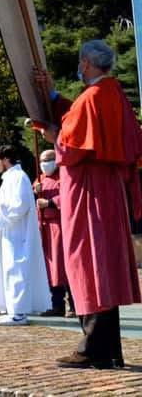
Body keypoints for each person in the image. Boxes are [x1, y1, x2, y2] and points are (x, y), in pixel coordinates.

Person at [35, 41, 142, 369]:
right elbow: (78, 120)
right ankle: (108, 350)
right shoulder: (112, 93)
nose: (79, 67)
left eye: (81, 62)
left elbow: (71, 145)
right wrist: (52, 96)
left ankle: (92, 348)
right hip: (107, 190)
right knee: (102, 264)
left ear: (87, 64)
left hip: (88, 190)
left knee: (88, 261)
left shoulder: (93, 97)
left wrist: (52, 135)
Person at [0, 145, 51, 326]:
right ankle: (13, 310)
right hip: (10, 232)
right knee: (10, 269)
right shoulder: (10, 178)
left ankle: (19, 312)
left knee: (16, 269)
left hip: (18, 233)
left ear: (6, 159)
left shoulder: (19, 178)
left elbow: (19, 207)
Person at [34, 149, 73, 317]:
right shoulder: (39, 179)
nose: (44, 164)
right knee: (50, 268)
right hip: (44, 228)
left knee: (63, 266)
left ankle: (74, 305)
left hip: (60, 225)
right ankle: (56, 304)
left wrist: (49, 202)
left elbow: (69, 197)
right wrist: (35, 192)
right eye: (42, 161)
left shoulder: (64, 176)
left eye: (48, 160)